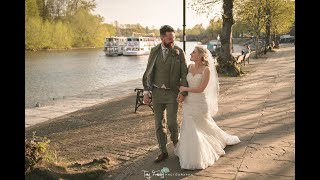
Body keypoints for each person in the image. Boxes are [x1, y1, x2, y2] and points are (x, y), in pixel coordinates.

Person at [174, 45, 240, 170]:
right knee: (189, 127)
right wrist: (181, 94)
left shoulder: (206, 70)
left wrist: (184, 89)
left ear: (199, 55)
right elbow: (185, 83)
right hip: (188, 103)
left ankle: (197, 157)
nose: (190, 54)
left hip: (199, 103)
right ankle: (188, 152)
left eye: (193, 52)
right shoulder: (189, 67)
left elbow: (200, 89)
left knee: (200, 127)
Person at [142, 25, 188, 163]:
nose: (172, 40)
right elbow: (149, 71)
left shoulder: (179, 51)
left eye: (173, 38)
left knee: (172, 123)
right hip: (157, 93)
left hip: (172, 93)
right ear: (162, 38)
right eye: (169, 38)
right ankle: (163, 151)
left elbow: (184, 73)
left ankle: (177, 147)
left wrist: (183, 92)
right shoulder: (154, 51)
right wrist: (146, 92)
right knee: (158, 124)